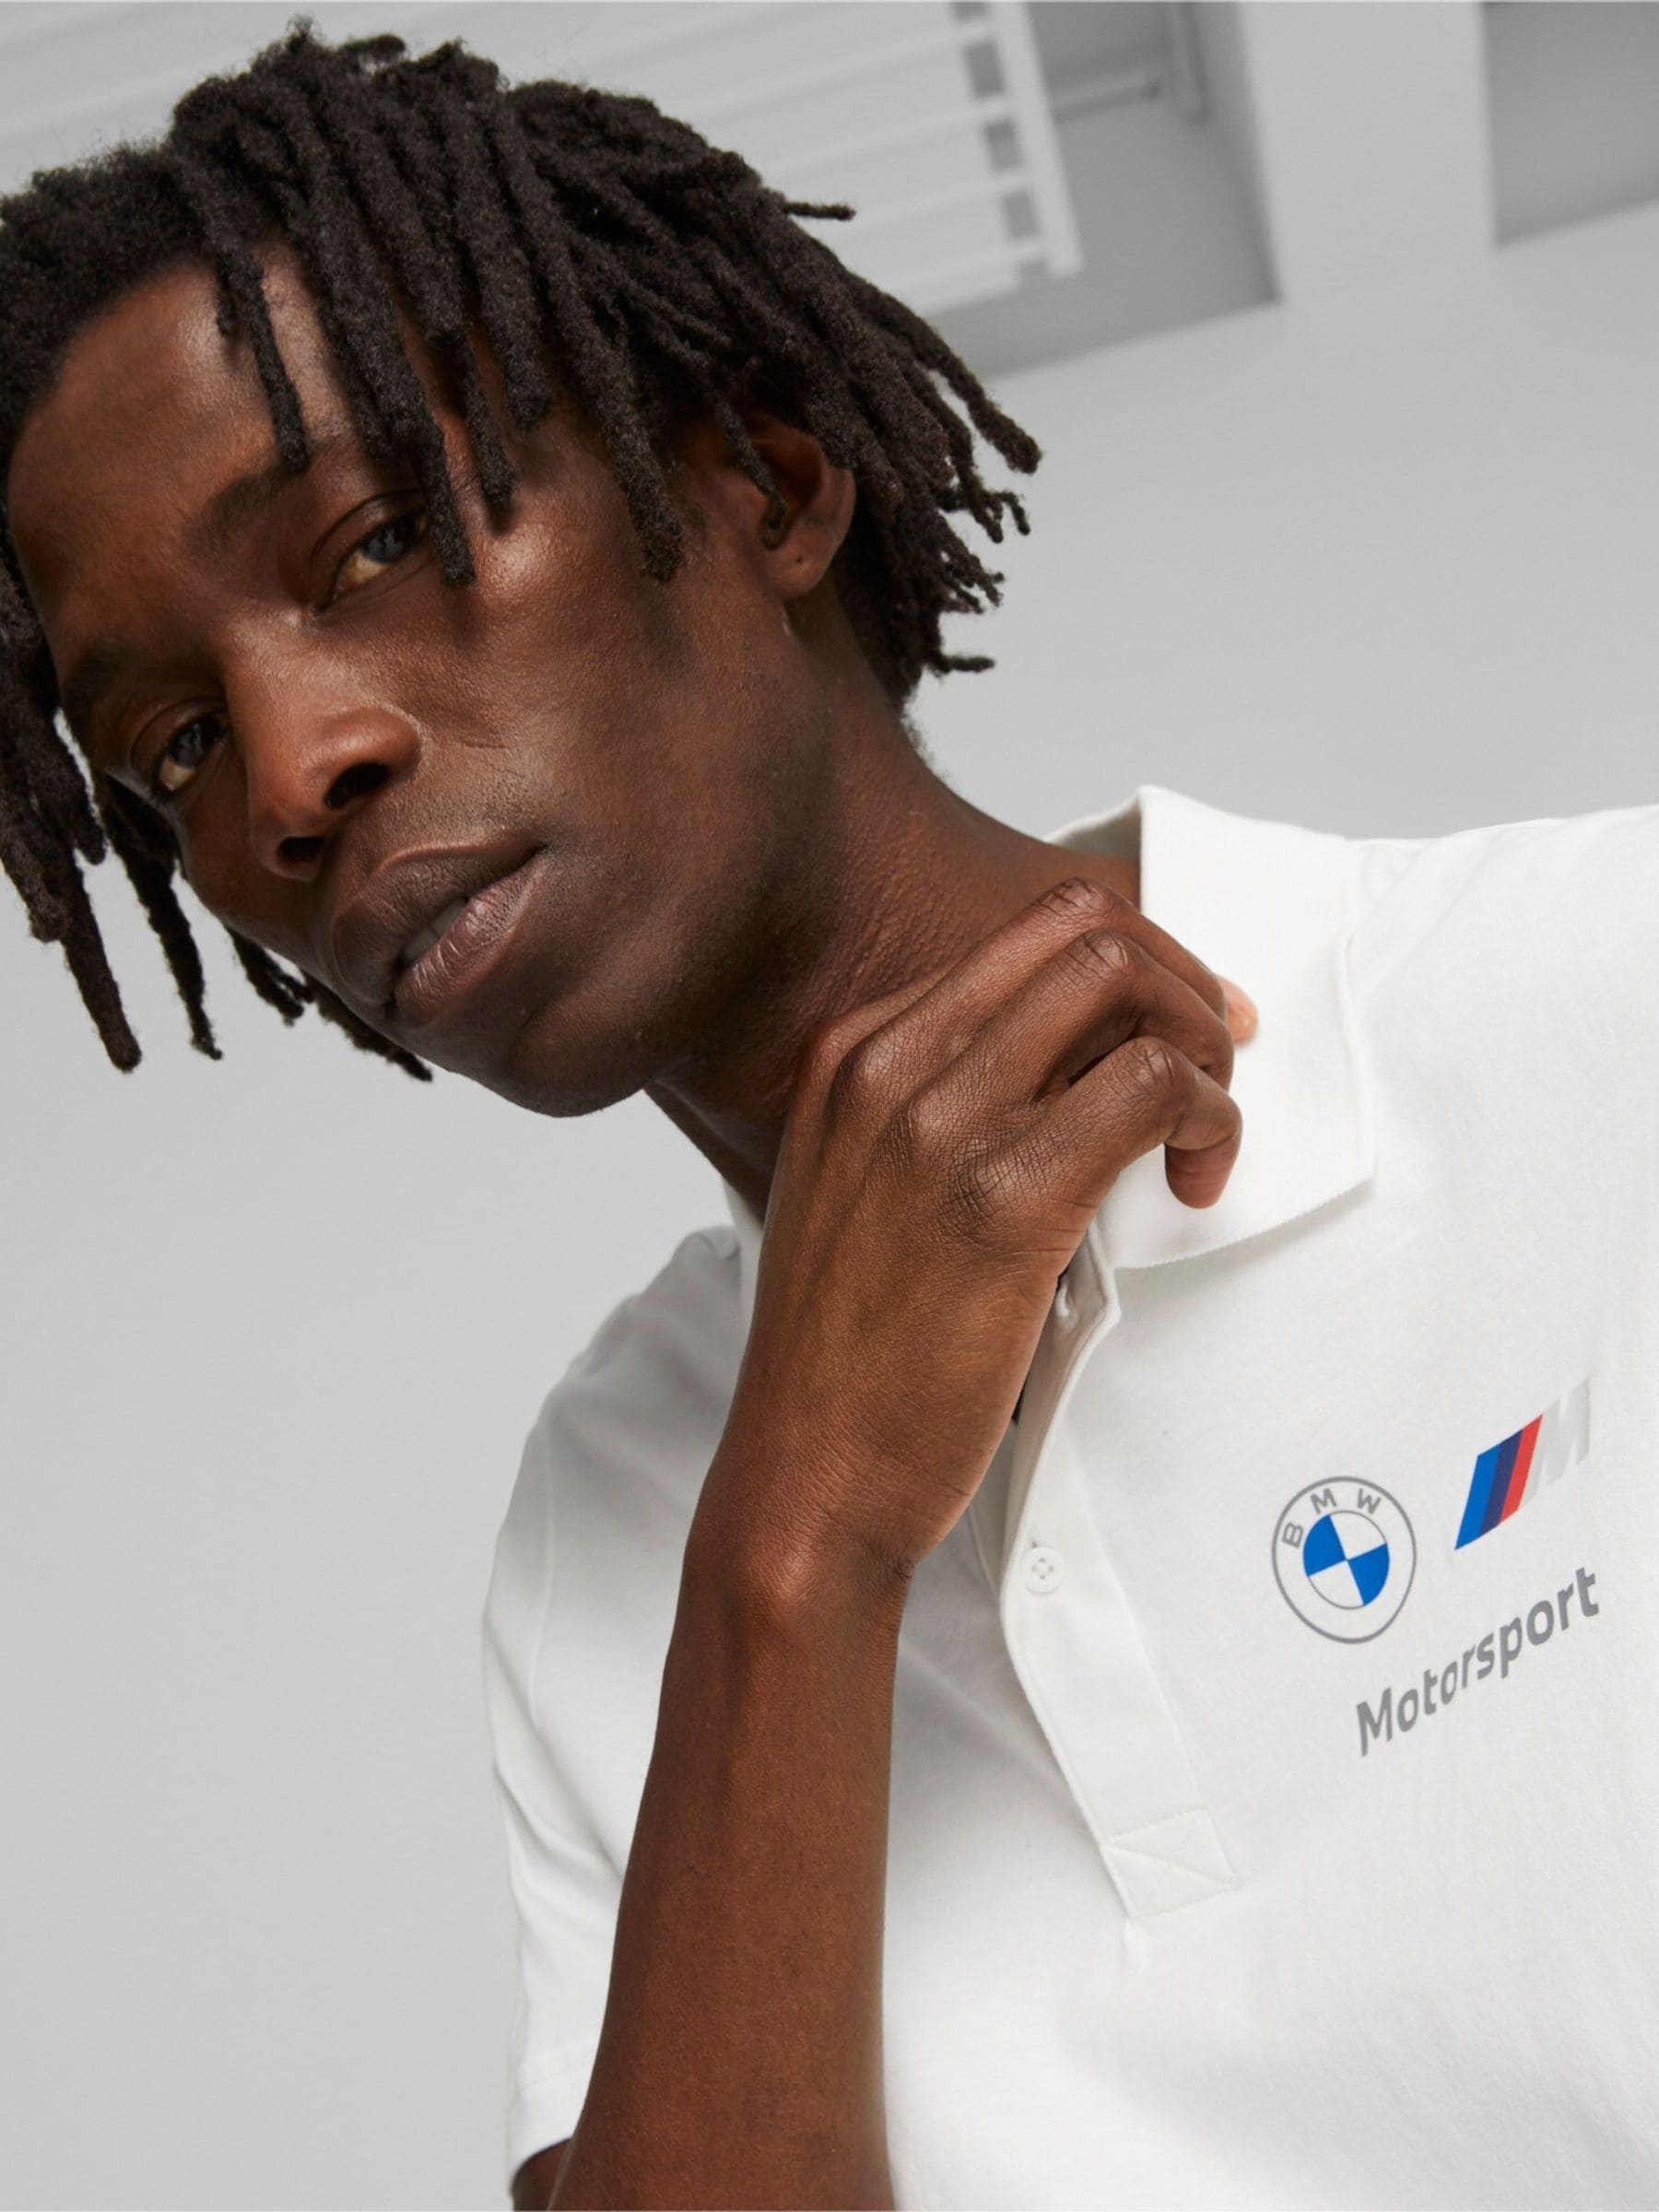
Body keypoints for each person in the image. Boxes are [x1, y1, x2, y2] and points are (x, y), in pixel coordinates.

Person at [5, 20, 1656, 2212]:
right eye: (175, 747)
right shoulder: (615, 1516)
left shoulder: (1600, 1002)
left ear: (766, 485)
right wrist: (800, 1528)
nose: (296, 774)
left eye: (378, 534)